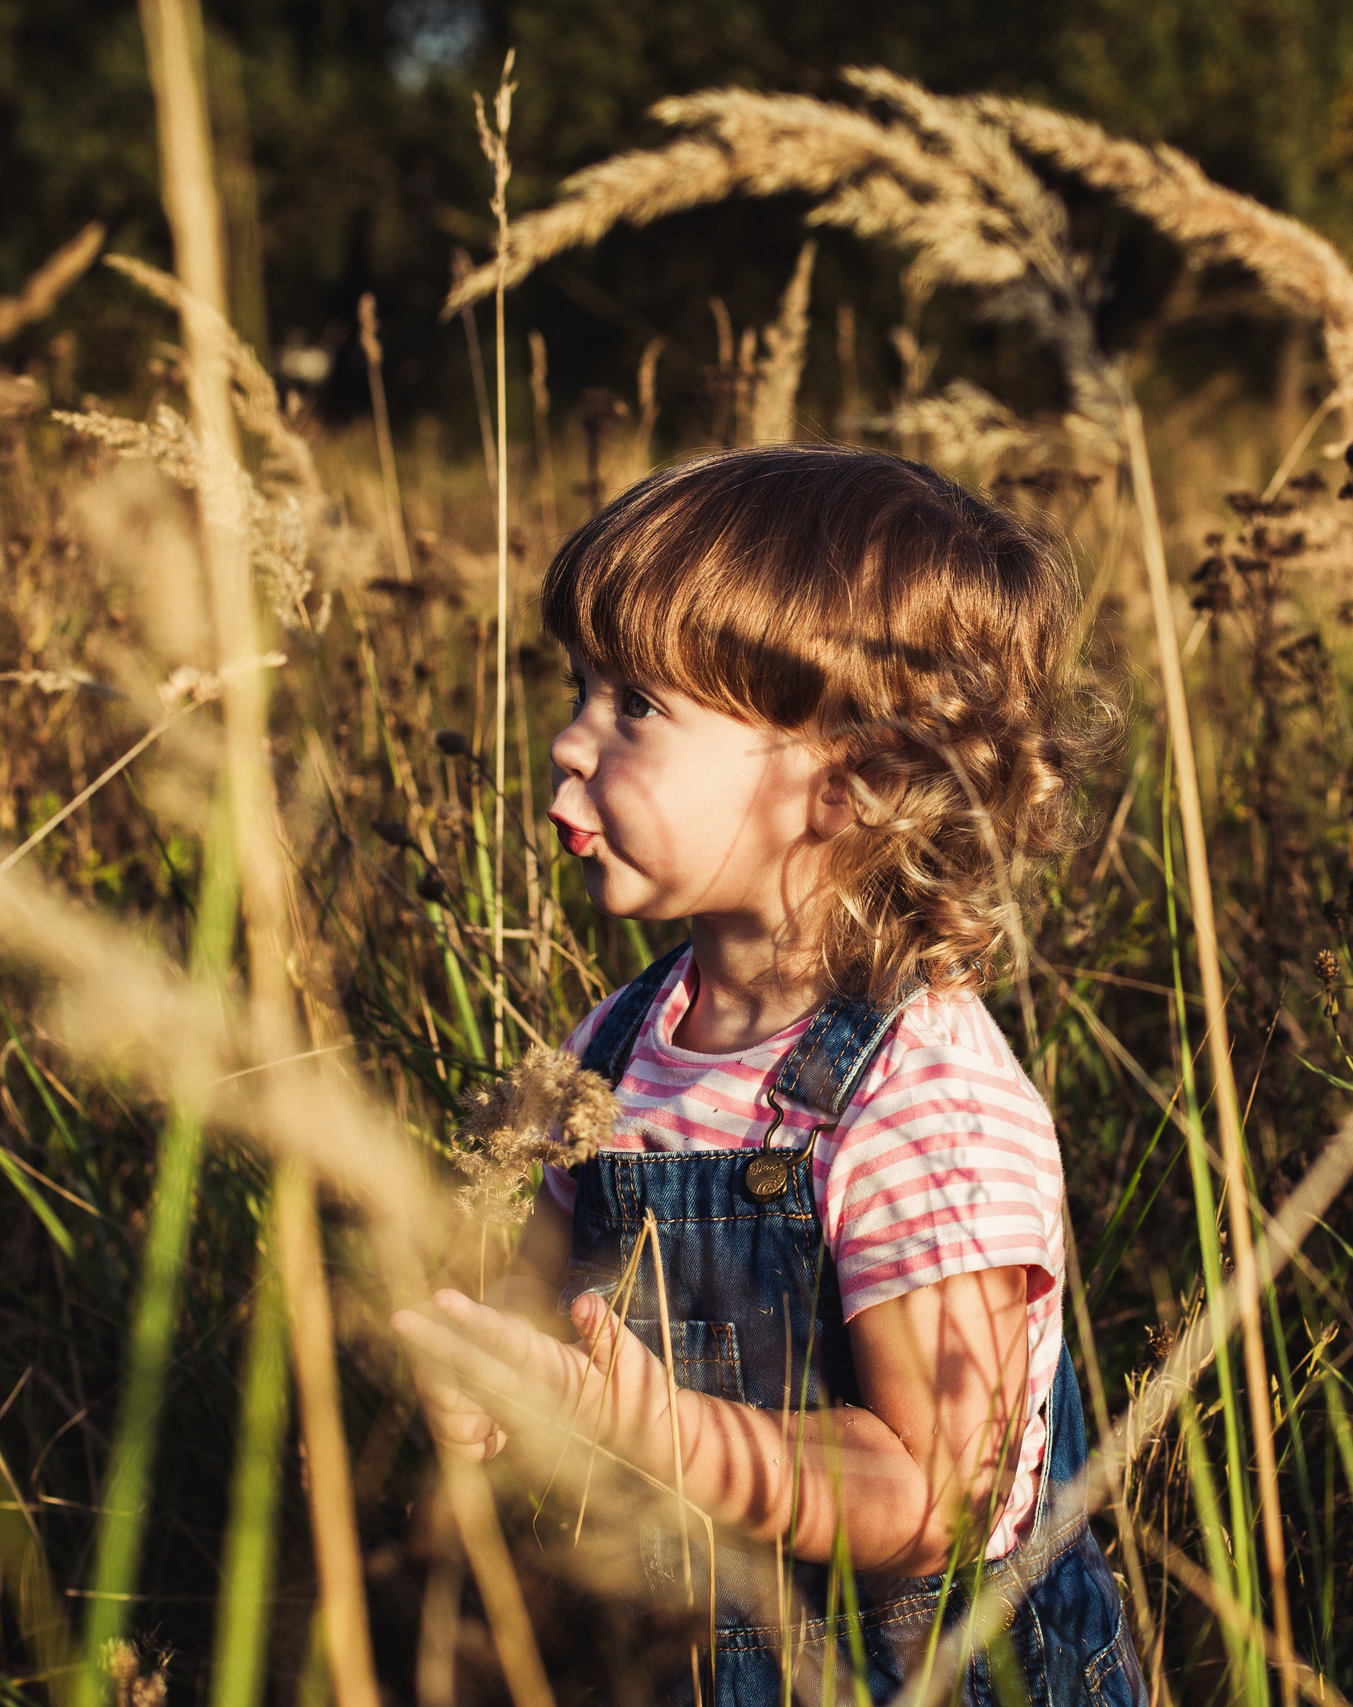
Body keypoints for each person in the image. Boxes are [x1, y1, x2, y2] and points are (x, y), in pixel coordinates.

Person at [390, 444, 1144, 1707]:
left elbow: (928, 1497)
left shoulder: (926, 1106)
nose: (570, 745)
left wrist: (650, 1432)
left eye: (633, 708)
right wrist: (503, 1389)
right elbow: (542, 1301)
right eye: (579, 691)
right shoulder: (617, 1046)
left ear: (846, 784)